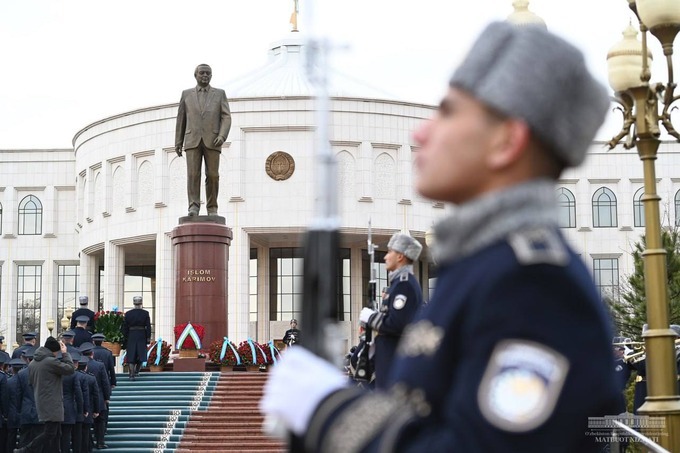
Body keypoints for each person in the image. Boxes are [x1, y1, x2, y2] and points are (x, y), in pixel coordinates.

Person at [260, 21, 621, 452]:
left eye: (448, 111)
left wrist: (327, 411)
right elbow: (420, 414)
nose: (420, 132)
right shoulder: (482, 268)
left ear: (506, 141)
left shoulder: (534, 286)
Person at [359, 233, 424, 389]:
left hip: (394, 360)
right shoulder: (398, 283)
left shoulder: (405, 284)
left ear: (400, 256)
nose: (385, 257)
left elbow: (397, 323)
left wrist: (371, 317)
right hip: (388, 360)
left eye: (389, 252)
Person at [175, 63, 232, 216]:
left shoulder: (219, 94)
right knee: (193, 174)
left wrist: (222, 135)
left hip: (213, 140)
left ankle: (212, 207)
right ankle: (193, 206)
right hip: (192, 139)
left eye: (208, 73)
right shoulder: (186, 94)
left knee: (213, 175)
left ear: (211, 76)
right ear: (196, 75)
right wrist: (178, 141)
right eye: (202, 73)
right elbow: (181, 119)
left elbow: (226, 116)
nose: (205, 76)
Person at [14, 337, 75, 453]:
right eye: (56, 353)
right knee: (50, 433)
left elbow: (31, 383)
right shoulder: (50, 361)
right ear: (53, 351)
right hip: (52, 403)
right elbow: (70, 369)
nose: (57, 355)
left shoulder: (33, 363)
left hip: (42, 402)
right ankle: (26, 450)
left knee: (56, 434)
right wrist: (65, 353)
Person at [79, 343, 110, 450]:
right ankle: (100, 441)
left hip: (83, 398)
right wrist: (107, 397)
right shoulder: (99, 365)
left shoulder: (78, 365)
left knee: (85, 423)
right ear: (92, 353)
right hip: (98, 396)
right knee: (100, 421)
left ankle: (89, 442)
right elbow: (105, 382)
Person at [122, 296, 151, 380]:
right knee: (141, 354)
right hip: (141, 335)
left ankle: (131, 374)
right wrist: (148, 337)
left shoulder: (128, 313)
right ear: (141, 303)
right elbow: (148, 326)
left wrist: (125, 337)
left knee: (131, 354)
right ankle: (136, 371)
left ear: (133, 303)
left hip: (131, 335)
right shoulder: (145, 313)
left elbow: (125, 327)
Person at [61, 351, 83, 453]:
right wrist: (80, 409)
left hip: (54, 407)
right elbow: (78, 393)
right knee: (66, 435)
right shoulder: (73, 375)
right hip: (69, 408)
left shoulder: (54, 373)